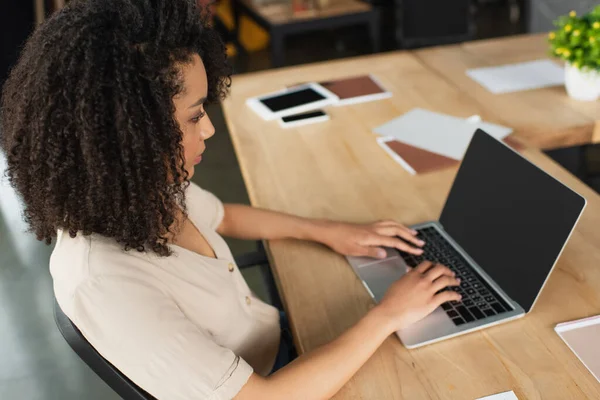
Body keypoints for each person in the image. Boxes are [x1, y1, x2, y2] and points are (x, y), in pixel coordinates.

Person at [0, 0, 461, 398]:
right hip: (277, 380)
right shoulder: (106, 284)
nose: (209, 130)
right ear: (127, 134)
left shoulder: (134, 185)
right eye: (195, 116)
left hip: (276, 338)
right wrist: (387, 316)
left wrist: (329, 231)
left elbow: (224, 216)